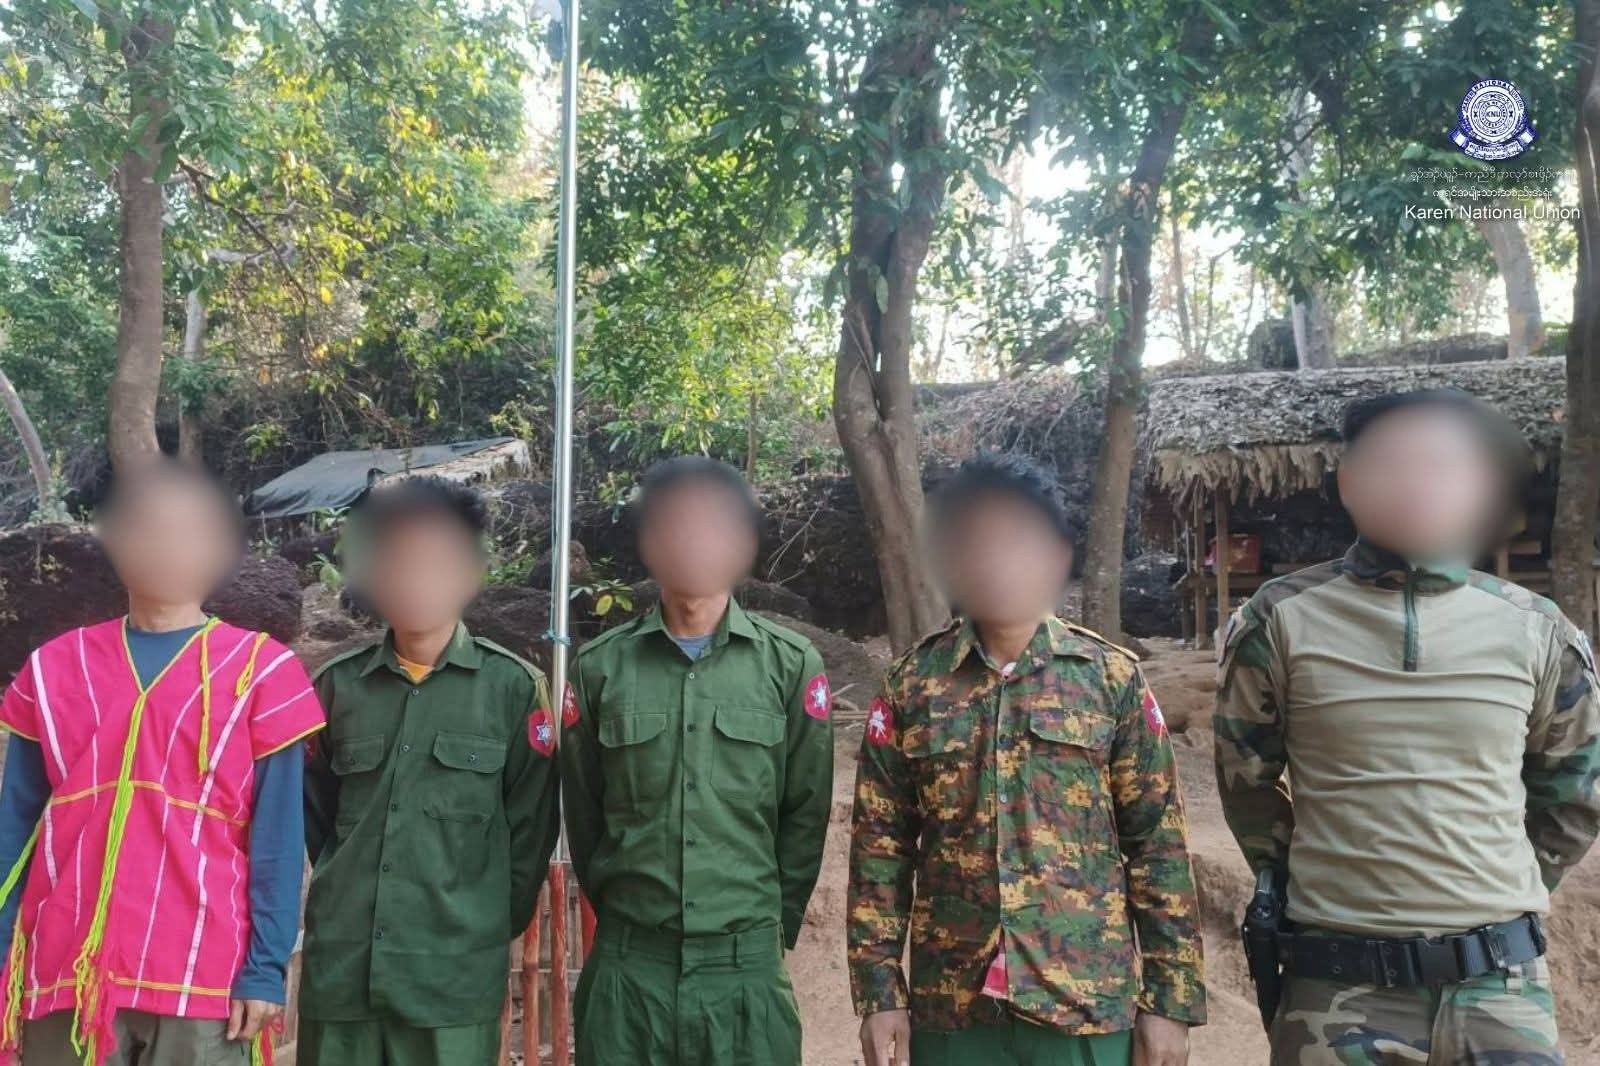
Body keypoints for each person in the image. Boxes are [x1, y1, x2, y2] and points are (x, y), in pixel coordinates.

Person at [1215, 389, 1600, 1065]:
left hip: (1500, 989)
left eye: (1442, 464)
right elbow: (1245, 781)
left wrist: (1488, 888)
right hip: (1336, 990)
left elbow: (1574, 794)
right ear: (1350, 483)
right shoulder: (1278, 620)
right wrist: (1327, 884)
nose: (1417, 484)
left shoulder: (1538, 632)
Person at [849, 451, 1206, 1066]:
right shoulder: (912, 686)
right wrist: (880, 993)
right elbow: (880, 848)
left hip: (1084, 1008)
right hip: (953, 1009)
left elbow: (1158, 845)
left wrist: (1170, 1002)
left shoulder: (1110, 679)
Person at [0, 459, 325, 1066]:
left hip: (204, 972)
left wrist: (264, 969)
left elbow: (278, 840)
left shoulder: (263, 673)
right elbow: (12, 831)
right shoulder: (52, 669)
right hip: (66, 967)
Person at [561, 457, 833, 1066]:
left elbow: (805, 814)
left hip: (744, 974)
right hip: (630, 973)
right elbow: (584, 811)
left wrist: (764, 932)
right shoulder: (600, 668)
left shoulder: (791, 666)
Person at [299, 477, 560, 1066]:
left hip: (452, 983)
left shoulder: (513, 689)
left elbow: (530, 830)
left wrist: (478, 927)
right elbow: (318, 818)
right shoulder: (335, 688)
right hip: (344, 975)